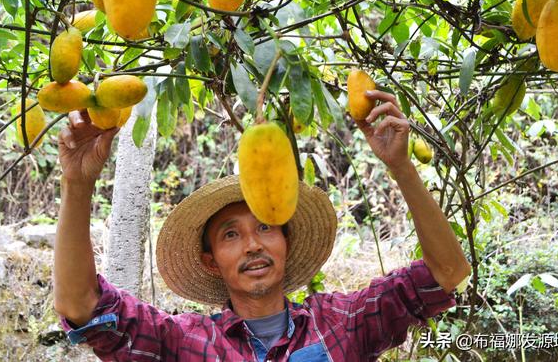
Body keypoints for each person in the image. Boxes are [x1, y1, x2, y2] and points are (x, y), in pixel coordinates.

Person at [54, 90, 471, 361]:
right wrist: (77, 183)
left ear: (286, 243)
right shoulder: (185, 344)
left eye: (266, 227)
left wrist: (401, 167)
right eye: (230, 234)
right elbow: (82, 306)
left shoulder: (341, 323)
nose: (252, 244)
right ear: (211, 260)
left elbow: (447, 273)